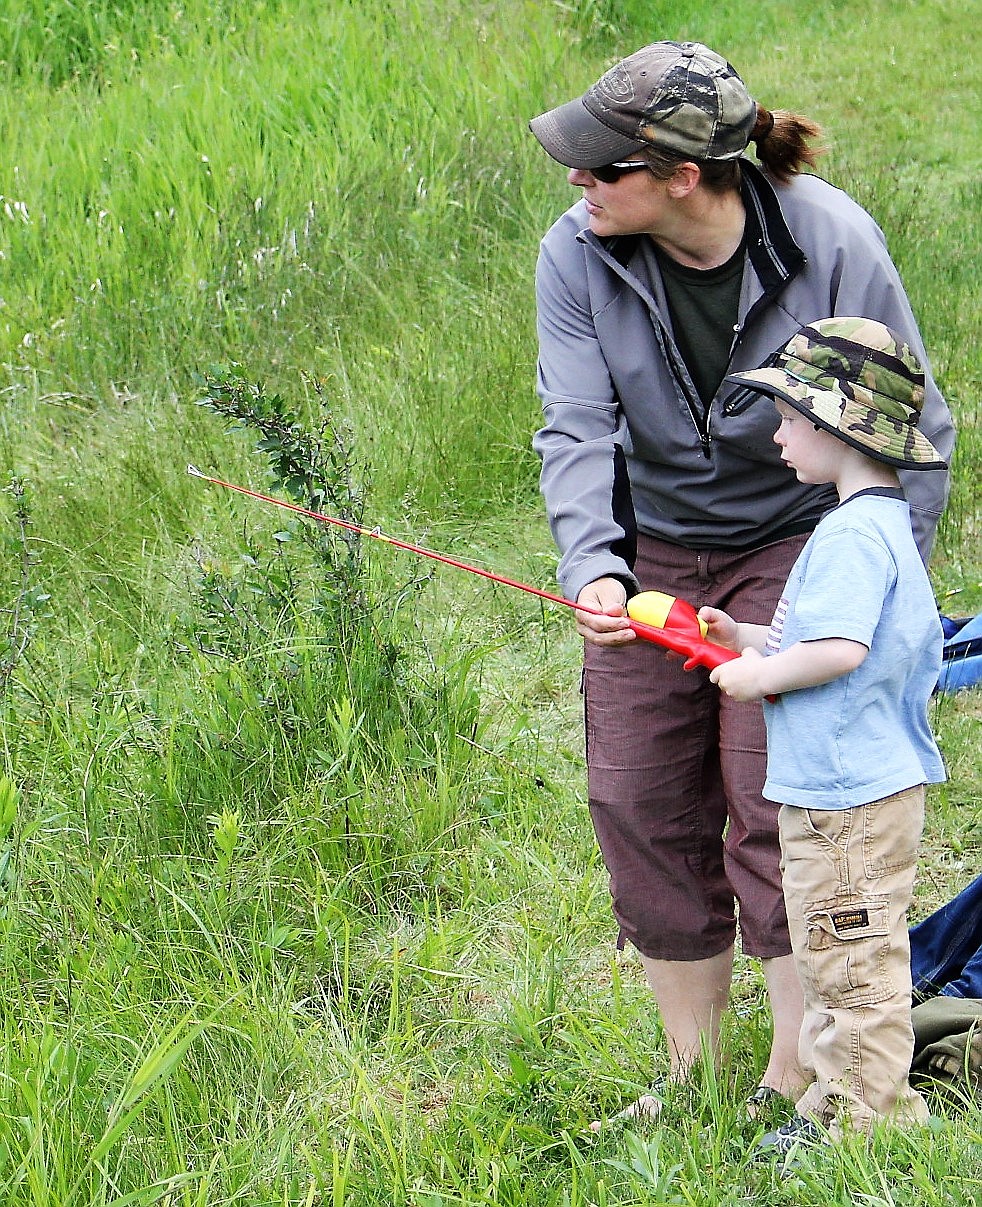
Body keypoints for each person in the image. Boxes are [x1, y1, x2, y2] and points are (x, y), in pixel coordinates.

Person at [526, 40, 955, 1124]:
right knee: (635, 793)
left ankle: (791, 1070)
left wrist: (869, 598)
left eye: (599, 164)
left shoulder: (831, 241)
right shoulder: (574, 252)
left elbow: (914, 428)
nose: (575, 181)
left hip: (801, 539)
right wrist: (596, 570)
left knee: (777, 797)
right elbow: (574, 429)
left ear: (682, 175)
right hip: (653, 546)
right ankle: (690, 1073)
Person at [703, 315, 947, 1151]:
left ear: (833, 426)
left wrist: (760, 677)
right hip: (848, 790)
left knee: (852, 964)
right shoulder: (870, 525)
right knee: (835, 956)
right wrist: (745, 642)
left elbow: (841, 650)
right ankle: (841, 1103)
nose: (776, 434)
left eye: (787, 417)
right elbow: (823, 641)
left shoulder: (849, 533)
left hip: (848, 800)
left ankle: (867, 1123)